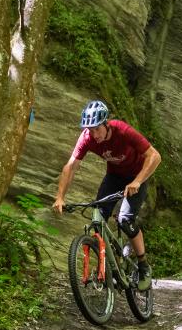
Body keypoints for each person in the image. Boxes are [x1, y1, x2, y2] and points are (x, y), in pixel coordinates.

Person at [53, 100, 161, 291]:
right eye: (90, 130)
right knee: (97, 218)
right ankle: (110, 265)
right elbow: (71, 167)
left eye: (97, 129)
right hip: (114, 176)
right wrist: (60, 197)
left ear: (106, 124)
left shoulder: (123, 131)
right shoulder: (87, 138)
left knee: (125, 219)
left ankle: (143, 265)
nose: (94, 135)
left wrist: (137, 181)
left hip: (138, 176)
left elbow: (154, 156)